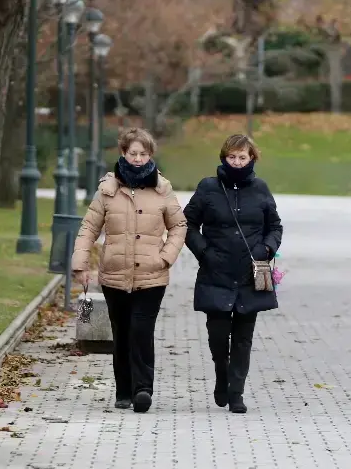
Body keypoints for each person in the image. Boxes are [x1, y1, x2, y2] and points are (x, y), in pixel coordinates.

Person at [71, 127, 187, 413]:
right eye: (133, 153)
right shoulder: (107, 190)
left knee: (141, 330)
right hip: (114, 275)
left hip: (151, 276)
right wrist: (80, 263)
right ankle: (123, 390)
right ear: (123, 153)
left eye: (143, 154)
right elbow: (88, 228)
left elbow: (179, 226)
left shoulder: (162, 189)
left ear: (150, 155)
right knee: (121, 333)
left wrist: (165, 258)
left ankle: (143, 389)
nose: (137, 158)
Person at [183, 133, 283, 414]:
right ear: (223, 157)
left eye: (242, 157)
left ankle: (236, 392)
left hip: (251, 272)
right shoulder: (208, 188)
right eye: (232, 157)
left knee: (243, 337)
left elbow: (275, 226)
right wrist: (204, 252)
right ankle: (222, 375)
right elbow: (187, 223)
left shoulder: (261, 189)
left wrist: (267, 248)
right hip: (216, 271)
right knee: (218, 335)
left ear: (252, 158)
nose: (237, 163)